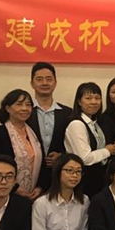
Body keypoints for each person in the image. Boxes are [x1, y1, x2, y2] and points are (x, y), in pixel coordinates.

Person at [31, 153, 89, 230]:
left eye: (78, 171)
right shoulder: (42, 203)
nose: (74, 175)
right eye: (69, 170)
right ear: (58, 172)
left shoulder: (84, 201)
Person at [64, 82, 115, 198]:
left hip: (97, 180)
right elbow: (85, 158)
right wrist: (107, 151)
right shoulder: (77, 124)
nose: (94, 102)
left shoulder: (95, 123)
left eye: (97, 98)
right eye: (88, 98)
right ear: (79, 101)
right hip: (83, 181)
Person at [0, 89, 43, 201]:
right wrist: (15, 188)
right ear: (8, 108)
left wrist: (39, 187)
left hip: (33, 194)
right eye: (19, 104)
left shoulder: (34, 133)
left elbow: (41, 163)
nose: (24, 108)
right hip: (5, 193)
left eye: (28, 105)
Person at [27, 62, 72, 193]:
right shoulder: (24, 112)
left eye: (49, 79)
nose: (45, 83)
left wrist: (62, 156)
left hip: (60, 179)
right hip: (30, 177)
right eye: (39, 79)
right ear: (32, 83)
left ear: (55, 82)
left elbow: (73, 144)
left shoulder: (68, 113)